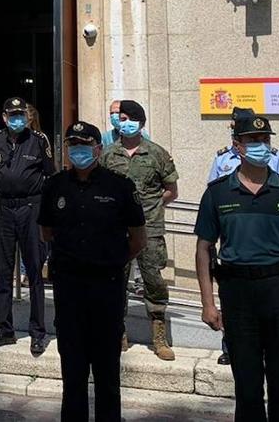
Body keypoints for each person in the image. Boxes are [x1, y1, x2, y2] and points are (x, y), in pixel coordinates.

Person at [194, 113, 279, 422]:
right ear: (238, 146)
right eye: (253, 141)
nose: (261, 146)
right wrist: (208, 303)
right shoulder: (218, 192)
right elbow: (203, 248)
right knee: (247, 389)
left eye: (265, 140)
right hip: (238, 296)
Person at [40, 121, 146, 422]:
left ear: (98, 149)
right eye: (73, 145)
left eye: (84, 145)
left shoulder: (119, 186)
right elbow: (46, 232)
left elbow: (138, 240)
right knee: (72, 372)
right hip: (69, 289)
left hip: (106, 289)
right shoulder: (55, 185)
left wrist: (109, 261)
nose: (78, 151)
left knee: (107, 372)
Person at [207, 106, 279, 365]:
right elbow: (213, 194)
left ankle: (264, 347)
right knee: (232, 295)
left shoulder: (273, 156)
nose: (259, 145)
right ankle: (229, 345)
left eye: (262, 139)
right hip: (234, 234)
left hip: (266, 233)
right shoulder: (222, 159)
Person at [100, 99, 178, 361]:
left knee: (153, 279)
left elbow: (171, 191)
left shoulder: (157, 154)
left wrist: (151, 207)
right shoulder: (108, 154)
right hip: (116, 229)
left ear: (141, 123)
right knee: (115, 280)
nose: (124, 123)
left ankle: (158, 336)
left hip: (150, 227)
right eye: (120, 119)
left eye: (129, 118)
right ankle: (117, 331)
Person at [0, 96, 54, 355]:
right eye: (12, 115)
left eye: (20, 115)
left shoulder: (38, 140)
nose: (17, 119)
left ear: (27, 116)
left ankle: (38, 332)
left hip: (30, 209)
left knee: (34, 271)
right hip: (3, 209)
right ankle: (4, 329)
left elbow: (50, 175)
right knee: (2, 271)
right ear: (4, 117)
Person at [208, 107, 279, 182]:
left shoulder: (272, 156)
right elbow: (214, 189)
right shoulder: (222, 158)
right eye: (234, 128)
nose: (234, 131)